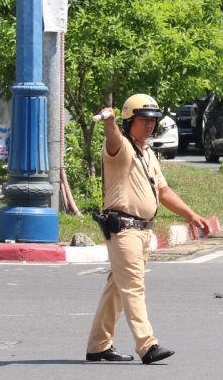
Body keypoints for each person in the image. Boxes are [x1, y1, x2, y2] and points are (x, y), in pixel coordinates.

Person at [87, 93, 212, 365]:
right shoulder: (120, 149)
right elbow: (112, 138)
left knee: (118, 288)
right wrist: (108, 121)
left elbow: (163, 191)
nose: (149, 126)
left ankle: (98, 345)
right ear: (129, 121)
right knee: (133, 286)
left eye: (153, 121)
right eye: (143, 120)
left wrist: (191, 215)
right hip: (124, 229)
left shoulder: (148, 153)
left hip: (143, 231)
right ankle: (147, 345)